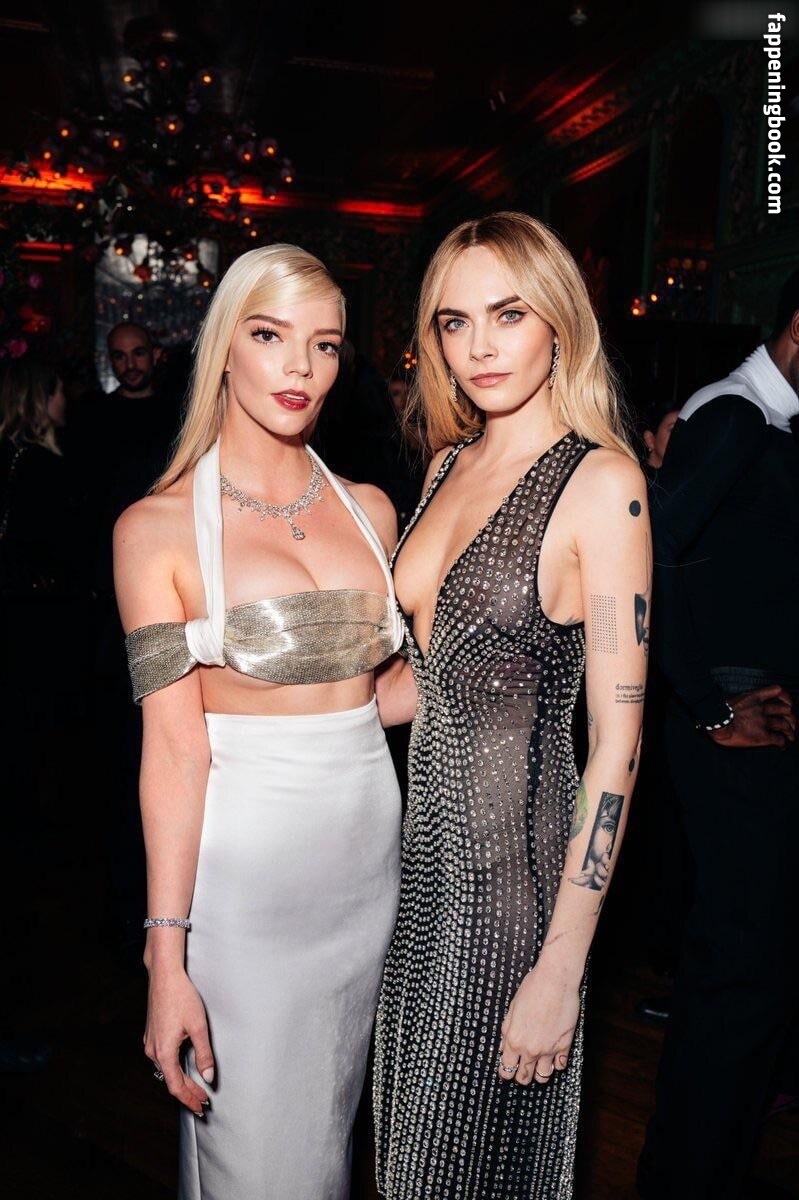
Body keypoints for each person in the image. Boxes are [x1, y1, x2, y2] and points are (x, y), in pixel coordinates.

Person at [112, 244, 404, 1200]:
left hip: (367, 875)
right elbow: (174, 750)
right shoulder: (154, 530)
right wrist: (166, 955)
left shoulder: (370, 510)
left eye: (325, 344)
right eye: (272, 335)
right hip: (248, 892)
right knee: (258, 1159)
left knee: (326, 1141)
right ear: (224, 347)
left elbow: (382, 698)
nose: (301, 367)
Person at [373, 211, 650, 1198]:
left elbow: (616, 744)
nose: (479, 346)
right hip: (417, 888)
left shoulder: (601, 483)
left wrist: (560, 967)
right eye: (454, 322)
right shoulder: (447, 463)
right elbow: (427, 679)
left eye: (508, 314)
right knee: (406, 1168)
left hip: (513, 906)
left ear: (559, 322)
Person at [637, 271, 799, 1199]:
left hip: (754, 723)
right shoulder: (733, 415)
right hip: (730, 729)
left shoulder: (762, 420)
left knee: (751, 969)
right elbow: (645, 557)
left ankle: (704, 1168)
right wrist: (705, 706)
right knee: (741, 970)